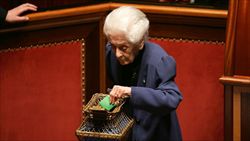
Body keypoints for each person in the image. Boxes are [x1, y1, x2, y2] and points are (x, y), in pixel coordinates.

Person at [104, 6, 183, 141]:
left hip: (157, 134)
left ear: (140, 43)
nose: (117, 54)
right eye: (113, 45)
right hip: (127, 130)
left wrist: (131, 92)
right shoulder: (110, 53)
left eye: (123, 48)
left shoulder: (159, 60)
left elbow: (172, 98)